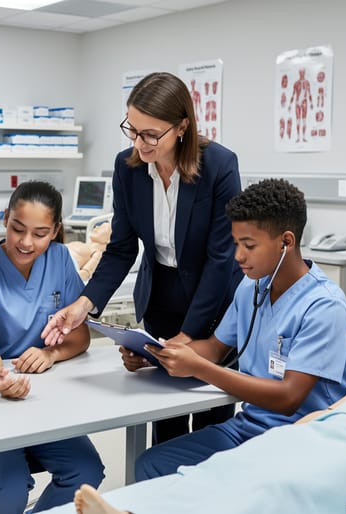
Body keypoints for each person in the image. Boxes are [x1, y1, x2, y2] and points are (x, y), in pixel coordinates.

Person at [57, 310, 346, 514]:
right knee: (230, 469)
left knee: (280, 488)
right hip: (320, 433)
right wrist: (285, 441)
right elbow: (331, 411)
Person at [41, 71, 243, 445]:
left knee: (209, 421)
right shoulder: (128, 167)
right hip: (161, 299)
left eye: (150, 134)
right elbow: (121, 248)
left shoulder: (218, 166)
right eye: (132, 130)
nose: (139, 142)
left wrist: (188, 337)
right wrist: (83, 304)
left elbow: (221, 259)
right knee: (164, 419)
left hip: (213, 303)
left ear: (182, 126)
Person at [133, 178, 346, 481]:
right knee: (154, 463)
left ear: (286, 242)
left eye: (249, 245)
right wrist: (154, 353)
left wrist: (198, 368)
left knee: (216, 482)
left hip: (302, 438)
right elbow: (213, 349)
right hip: (249, 428)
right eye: (236, 243)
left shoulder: (325, 306)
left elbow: (289, 398)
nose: (238, 256)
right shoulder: (251, 288)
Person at [0, 181, 105, 514]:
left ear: (55, 231)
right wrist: (0, 378)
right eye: (17, 228)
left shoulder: (60, 259)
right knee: (9, 481)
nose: (25, 242)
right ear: (5, 218)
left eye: (39, 233)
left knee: (86, 471)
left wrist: (51, 353)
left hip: (38, 397)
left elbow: (79, 337)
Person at [288, 68, 313, 143]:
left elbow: (309, 93)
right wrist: (290, 104)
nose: (302, 73)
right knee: (298, 120)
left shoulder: (307, 82)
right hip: (297, 103)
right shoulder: (296, 83)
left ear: (304, 73)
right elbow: (293, 94)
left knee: (304, 120)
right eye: (301, 72)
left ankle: (304, 137)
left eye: (303, 72)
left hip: (304, 102)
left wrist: (311, 103)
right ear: (299, 73)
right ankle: (298, 137)